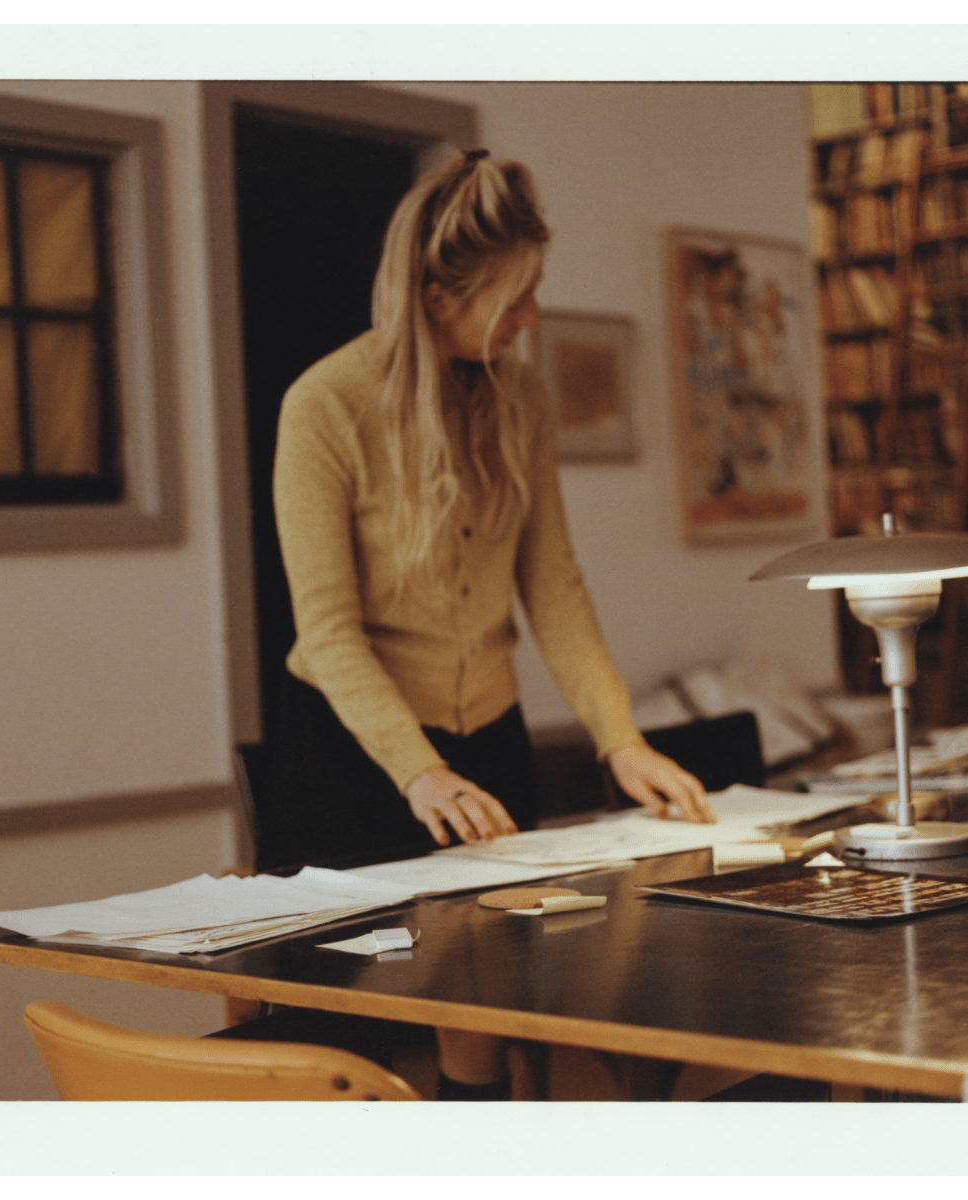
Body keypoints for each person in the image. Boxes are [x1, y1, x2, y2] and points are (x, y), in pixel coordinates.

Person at [262, 150, 715, 1099]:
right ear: (436, 298)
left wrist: (617, 738)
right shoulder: (324, 408)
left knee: (488, 1020)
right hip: (361, 759)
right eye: (513, 302)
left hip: (490, 750)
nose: (531, 321)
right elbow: (329, 630)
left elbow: (553, 585)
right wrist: (417, 767)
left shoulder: (520, 399)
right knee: (357, 1038)